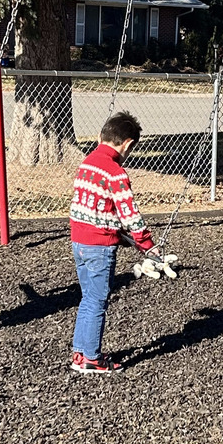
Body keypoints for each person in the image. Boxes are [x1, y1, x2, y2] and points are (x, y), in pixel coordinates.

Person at [69, 110, 159, 374]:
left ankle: (80, 352)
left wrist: (115, 229)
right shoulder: (115, 172)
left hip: (79, 240)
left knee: (88, 298)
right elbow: (130, 214)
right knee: (98, 301)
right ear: (128, 144)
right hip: (99, 246)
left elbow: (89, 206)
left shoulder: (87, 164)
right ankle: (92, 358)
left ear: (101, 136)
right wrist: (147, 245)